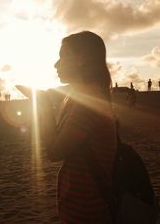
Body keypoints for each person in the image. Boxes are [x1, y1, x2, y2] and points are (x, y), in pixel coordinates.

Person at [38, 31, 117, 223]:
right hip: (80, 207)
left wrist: (42, 107)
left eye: (62, 56)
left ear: (81, 59)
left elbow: (55, 151)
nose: (56, 64)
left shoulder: (88, 103)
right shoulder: (80, 97)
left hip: (88, 211)